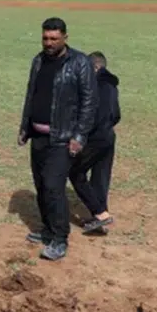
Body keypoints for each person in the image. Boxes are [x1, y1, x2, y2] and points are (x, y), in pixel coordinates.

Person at [17, 16, 97, 261]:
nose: (49, 43)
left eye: (54, 38)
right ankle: (48, 230)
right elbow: (31, 95)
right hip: (39, 137)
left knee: (53, 187)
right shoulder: (38, 61)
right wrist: (24, 127)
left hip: (63, 138)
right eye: (45, 38)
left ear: (65, 38)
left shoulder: (80, 63)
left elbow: (89, 103)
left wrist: (79, 135)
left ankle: (60, 239)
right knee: (41, 185)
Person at [69, 50, 120, 235]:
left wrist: (81, 136)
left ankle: (100, 213)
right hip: (109, 136)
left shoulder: (94, 86)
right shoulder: (112, 86)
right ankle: (100, 217)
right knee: (101, 176)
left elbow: (90, 116)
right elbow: (116, 115)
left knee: (75, 172)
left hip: (96, 137)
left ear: (96, 67)